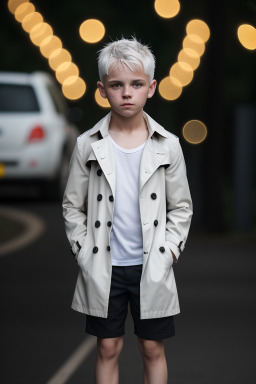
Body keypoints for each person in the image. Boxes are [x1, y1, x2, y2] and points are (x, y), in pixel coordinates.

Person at [62, 36, 193, 384]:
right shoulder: (87, 145)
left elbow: (181, 207)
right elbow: (72, 206)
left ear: (150, 88)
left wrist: (169, 252)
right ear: (102, 90)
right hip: (105, 266)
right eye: (117, 85)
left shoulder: (168, 146)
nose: (127, 93)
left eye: (136, 84)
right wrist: (83, 251)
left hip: (152, 265)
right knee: (108, 347)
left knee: (152, 348)